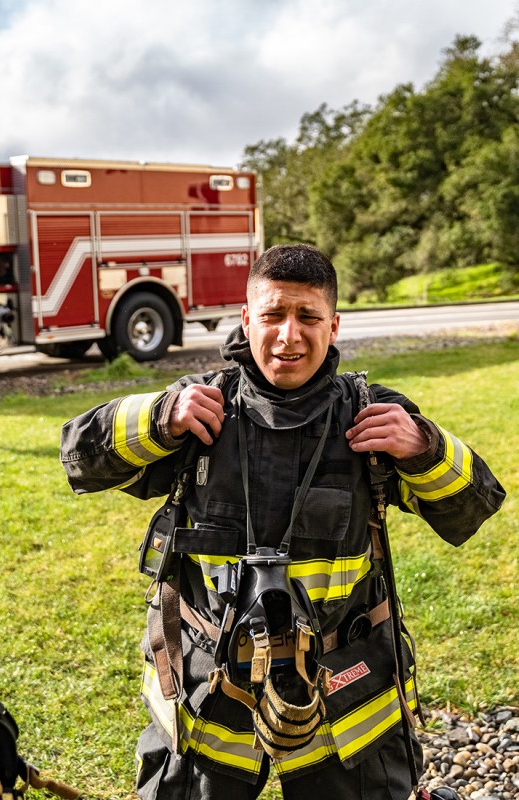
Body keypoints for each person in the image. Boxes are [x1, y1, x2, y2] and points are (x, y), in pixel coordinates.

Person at [59, 244, 505, 800]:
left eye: (308, 317)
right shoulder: (198, 411)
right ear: (247, 320)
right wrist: (157, 419)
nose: (289, 335)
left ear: (334, 325)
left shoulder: (371, 418)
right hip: (210, 697)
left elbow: (475, 504)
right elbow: (78, 457)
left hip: (345, 699)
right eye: (272, 315)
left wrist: (425, 448)